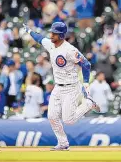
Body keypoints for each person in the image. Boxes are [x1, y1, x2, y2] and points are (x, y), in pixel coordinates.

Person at [23, 22, 99, 150]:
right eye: (52, 32)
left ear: (62, 35)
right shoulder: (51, 44)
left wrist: (85, 83)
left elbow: (86, 64)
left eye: (54, 33)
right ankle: (63, 143)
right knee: (52, 116)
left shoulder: (69, 50)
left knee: (68, 120)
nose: (51, 35)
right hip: (58, 86)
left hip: (71, 87)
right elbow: (40, 38)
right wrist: (29, 31)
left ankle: (88, 104)